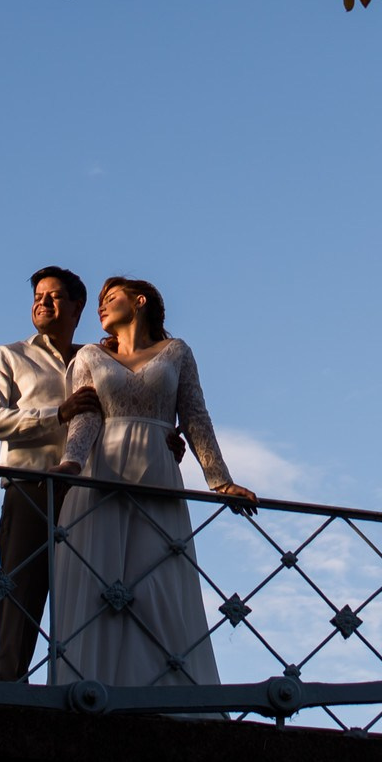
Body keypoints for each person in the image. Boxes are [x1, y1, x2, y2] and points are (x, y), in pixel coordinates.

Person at [49, 277, 256, 687]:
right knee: (99, 577)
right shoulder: (90, 355)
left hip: (158, 471)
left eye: (111, 298)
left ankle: (165, 688)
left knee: (157, 580)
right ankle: (90, 686)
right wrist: (71, 462)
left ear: (139, 301)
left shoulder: (177, 352)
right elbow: (86, 415)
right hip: (101, 472)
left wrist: (220, 481)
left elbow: (195, 416)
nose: (101, 307)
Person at [0, 266, 96, 682]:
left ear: (77, 307)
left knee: (93, 600)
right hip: (30, 491)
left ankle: (82, 692)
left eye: (53, 296)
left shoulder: (97, 360)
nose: (43, 302)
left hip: (92, 496)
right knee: (20, 601)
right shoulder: (8, 356)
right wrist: (56, 413)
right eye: (38, 296)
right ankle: (10, 696)